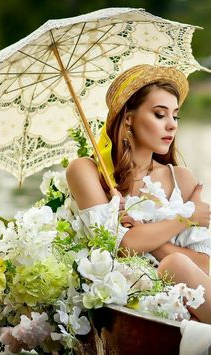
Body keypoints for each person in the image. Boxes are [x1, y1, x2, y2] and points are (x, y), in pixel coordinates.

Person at [66, 64, 211, 324]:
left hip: (195, 303)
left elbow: (202, 267)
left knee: (174, 264)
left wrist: (156, 244)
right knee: (174, 262)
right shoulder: (87, 171)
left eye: (175, 116)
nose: (171, 126)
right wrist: (186, 217)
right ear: (129, 117)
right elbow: (120, 246)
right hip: (131, 304)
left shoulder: (182, 179)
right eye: (159, 115)